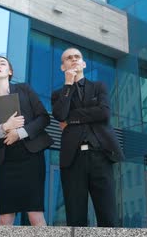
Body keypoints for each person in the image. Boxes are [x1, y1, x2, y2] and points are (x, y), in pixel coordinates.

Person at [51, 47, 124, 227]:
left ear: (83, 63)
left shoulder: (99, 87)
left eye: (77, 57)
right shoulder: (58, 94)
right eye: (69, 58)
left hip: (100, 155)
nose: (74, 59)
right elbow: (60, 115)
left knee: (108, 217)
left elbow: (104, 113)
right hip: (72, 160)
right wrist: (68, 85)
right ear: (63, 67)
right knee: (75, 218)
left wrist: (72, 118)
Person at [0, 56, 53, 226]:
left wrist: (20, 132)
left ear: (10, 71)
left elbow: (43, 118)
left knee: (35, 215)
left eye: (2, 63)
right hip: (7, 163)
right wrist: (4, 128)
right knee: (5, 218)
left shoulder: (24, 89)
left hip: (31, 159)